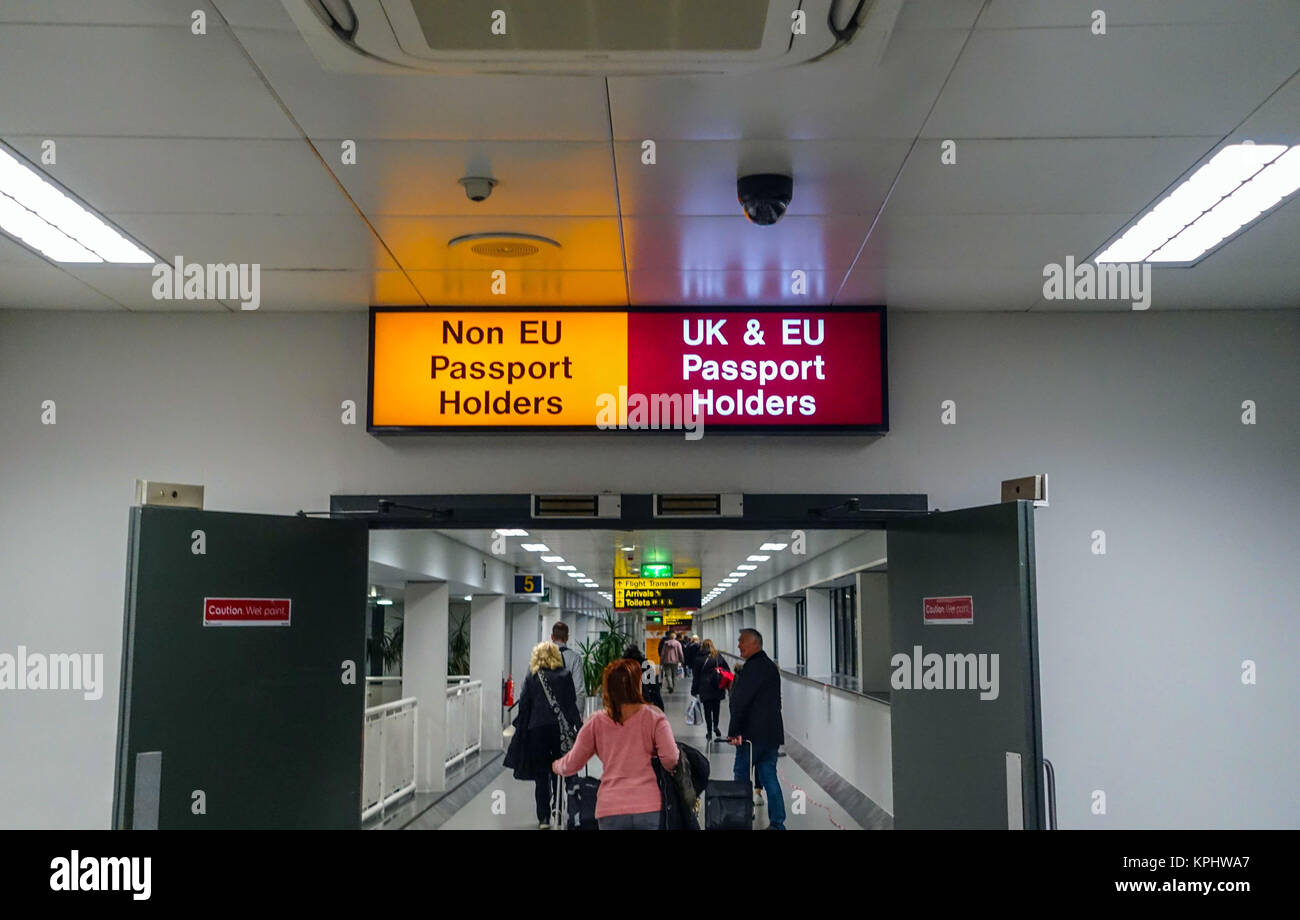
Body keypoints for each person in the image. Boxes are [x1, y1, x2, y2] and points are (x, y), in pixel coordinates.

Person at [552, 659, 679, 830]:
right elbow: (671, 759)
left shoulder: (596, 721)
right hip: (648, 806)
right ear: (637, 685)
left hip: (611, 808)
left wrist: (557, 766)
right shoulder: (654, 718)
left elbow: (573, 763)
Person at [503, 641, 583, 829]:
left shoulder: (532, 678)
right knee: (558, 771)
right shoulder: (565, 676)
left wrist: (521, 729)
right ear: (557, 656)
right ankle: (559, 809)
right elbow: (570, 705)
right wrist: (579, 728)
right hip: (558, 731)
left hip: (537, 732)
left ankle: (544, 818)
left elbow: (524, 706)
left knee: (541, 775)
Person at [726, 628, 786, 830]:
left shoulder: (751, 669)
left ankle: (741, 817)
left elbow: (740, 702)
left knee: (741, 775)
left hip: (751, 735)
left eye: (742, 641)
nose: (739, 645)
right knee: (769, 775)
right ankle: (777, 823)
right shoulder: (770, 667)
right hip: (771, 734)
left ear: (755, 644)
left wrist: (734, 731)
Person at [691, 639, 728, 741]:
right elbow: (727, 669)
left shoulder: (699, 658)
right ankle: (715, 725)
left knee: (707, 710)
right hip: (717, 685)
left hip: (704, 686)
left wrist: (694, 690)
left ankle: (709, 732)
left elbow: (696, 676)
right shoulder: (718, 656)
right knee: (716, 708)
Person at [551, 621, 584, 703]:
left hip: (545, 710)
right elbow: (579, 690)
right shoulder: (575, 658)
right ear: (567, 638)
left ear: (552, 637)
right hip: (567, 708)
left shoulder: (541, 657)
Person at [624, 644, 664, 710]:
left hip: (627, 698)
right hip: (644, 695)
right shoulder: (644, 663)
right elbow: (652, 683)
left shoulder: (623, 665)